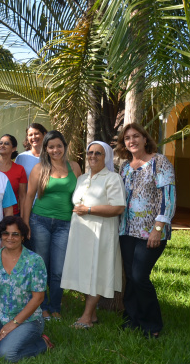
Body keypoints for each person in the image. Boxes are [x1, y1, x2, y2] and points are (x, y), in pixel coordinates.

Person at [116, 123, 176, 338]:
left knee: (140, 276)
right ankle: (133, 319)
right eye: (127, 138)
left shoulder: (159, 162)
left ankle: (152, 325)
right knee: (131, 278)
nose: (131, 141)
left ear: (144, 139)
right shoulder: (124, 166)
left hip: (150, 232)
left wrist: (158, 228)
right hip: (126, 231)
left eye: (135, 136)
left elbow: (168, 199)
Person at [61, 141, 126, 329]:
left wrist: (89, 209)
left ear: (106, 157)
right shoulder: (82, 178)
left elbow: (118, 207)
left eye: (98, 153)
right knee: (85, 271)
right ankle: (93, 314)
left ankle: (87, 317)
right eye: (90, 152)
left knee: (97, 271)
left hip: (102, 232)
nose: (93, 156)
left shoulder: (113, 178)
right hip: (81, 232)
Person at [22, 130, 81, 320]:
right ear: (46, 149)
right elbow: (29, 197)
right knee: (41, 266)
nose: (55, 150)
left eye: (59, 146)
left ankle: (55, 307)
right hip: (40, 221)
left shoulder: (75, 167)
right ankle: (42, 306)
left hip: (65, 223)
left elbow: (81, 195)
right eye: (51, 147)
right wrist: (25, 224)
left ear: (64, 146)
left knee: (58, 269)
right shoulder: (39, 168)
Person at [0, 216, 53, 362]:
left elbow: (38, 298)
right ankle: (7, 338)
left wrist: (14, 324)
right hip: (1, 316)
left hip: (29, 320)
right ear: (1, 236)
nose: (10, 237)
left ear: (23, 237)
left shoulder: (34, 261)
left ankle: (42, 343)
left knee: (7, 354)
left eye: (15, 234)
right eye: (6, 233)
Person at [0, 134, 27, 215]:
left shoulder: (20, 169)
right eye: (0, 143)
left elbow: (22, 197)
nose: (2, 145)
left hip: (13, 215)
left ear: (13, 148)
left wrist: (23, 219)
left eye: (6, 143)